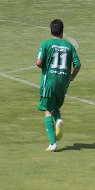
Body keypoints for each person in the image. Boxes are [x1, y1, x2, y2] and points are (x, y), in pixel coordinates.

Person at [36, 19, 81, 152]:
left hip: (49, 82)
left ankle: (53, 143)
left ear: (51, 31)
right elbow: (78, 65)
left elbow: (38, 62)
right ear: (62, 31)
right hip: (63, 83)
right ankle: (59, 120)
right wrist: (71, 77)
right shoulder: (69, 46)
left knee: (47, 110)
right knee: (55, 106)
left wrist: (44, 66)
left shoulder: (46, 44)